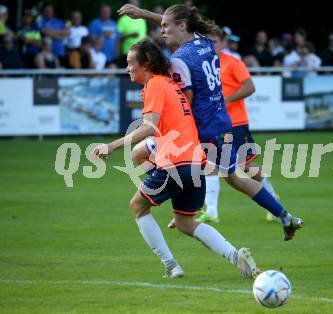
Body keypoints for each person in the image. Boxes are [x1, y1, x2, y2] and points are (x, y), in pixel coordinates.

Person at [118, 3, 303, 241]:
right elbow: (176, 22)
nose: (161, 31)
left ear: (182, 25)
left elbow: (186, 102)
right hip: (223, 123)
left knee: (138, 154)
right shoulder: (204, 43)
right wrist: (143, 14)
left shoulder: (179, 61)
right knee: (235, 178)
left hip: (201, 129)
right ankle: (284, 216)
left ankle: (182, 207)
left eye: (165, 26)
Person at [92, 38, 260, 279]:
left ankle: (171, 266)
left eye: (130, 63)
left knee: (137, 206)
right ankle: (236, 257)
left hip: (175, 163)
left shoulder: (155, 85)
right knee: (184, 222)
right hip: (195, 164)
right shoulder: (170, 84)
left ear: (146, 62)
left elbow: (149, 126)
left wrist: (112, 146)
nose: (127, 68)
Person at [196, 26, 281, 223]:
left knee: (246, 167)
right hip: (214, 124)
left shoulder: (233, 63)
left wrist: (227, 100)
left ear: (224, 43)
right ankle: (211, 211)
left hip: (236, 123)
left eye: (215, 41)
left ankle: (273, 198)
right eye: (208, 41)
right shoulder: (203, 64)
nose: (211, 45)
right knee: (209, 163)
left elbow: (250, 87)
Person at [117, 0, 147, 67]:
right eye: (133, 5)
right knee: (129, 76)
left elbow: (144, 36)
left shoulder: (142, 19)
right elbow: (119, 38)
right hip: (127, 53)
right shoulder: (122, 19)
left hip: (141, 53)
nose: (136, 8)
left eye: (137, 6)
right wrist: (130, 35)